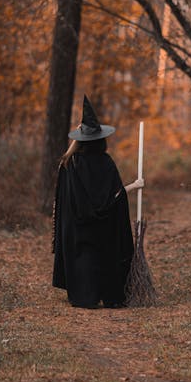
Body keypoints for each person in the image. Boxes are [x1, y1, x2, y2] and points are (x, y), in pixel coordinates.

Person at [52, 95, 144, 309]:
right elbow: (114, 199)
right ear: (101, 140)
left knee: (84, 255)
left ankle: (84, 296)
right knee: (102, 248)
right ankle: (109, 294)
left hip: (76, 232)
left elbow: (66, 206)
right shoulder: (105, 163)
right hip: (102, 233)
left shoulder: (68, 163)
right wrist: (134, 185)